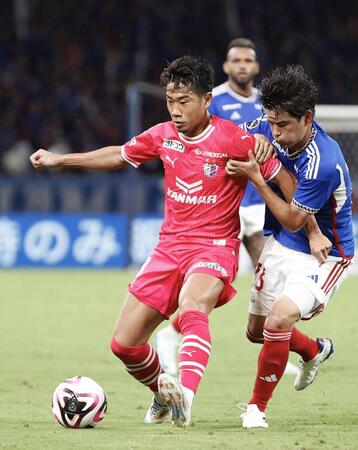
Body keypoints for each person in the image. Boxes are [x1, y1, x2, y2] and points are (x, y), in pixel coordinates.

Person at [30, 55, 292, 429]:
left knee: (191, 307)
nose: (176, 110)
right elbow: (118, 155)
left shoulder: (235, 139)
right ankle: (162, 393)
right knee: (124, 343)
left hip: (214, 246)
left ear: (206, 99)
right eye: (171, 101)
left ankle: (184, 395)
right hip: (168, 248)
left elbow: (285, 179)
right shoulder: (162, 135)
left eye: (184, 101)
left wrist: (307, 224)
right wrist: (60, 160)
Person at [155, 38, 298, 377]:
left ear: (256, 66)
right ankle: (176, 333)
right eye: (236, 61)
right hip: (224, 206)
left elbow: (267, 143)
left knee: (268, 277)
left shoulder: (266, 103)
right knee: (222, 285)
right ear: (227, 66)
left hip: (258, 202)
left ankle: (273, 344)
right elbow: (201, 145)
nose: (243, 66)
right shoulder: (212, 100)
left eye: (249, 60)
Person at [226, 65, 354, 428]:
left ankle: (255, 409)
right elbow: (233, 138)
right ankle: (314, 350)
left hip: (327, 255)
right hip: (283, 244)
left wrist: (258, 173)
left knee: (279, 318)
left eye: (283, 125)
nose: (275, 132)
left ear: (307, 118)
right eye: (271, 122)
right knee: (257, 332)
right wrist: (251, 143)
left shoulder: (323, 162)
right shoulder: (269, 126)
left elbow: (293, 218)